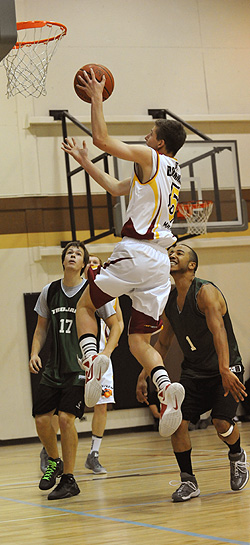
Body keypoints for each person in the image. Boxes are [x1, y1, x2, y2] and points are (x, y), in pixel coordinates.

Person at [61, 68, 187, 438]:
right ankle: (166, 390)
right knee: (138, 342)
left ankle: (90, 363)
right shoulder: (170, 171)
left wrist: (97, 96)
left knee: (85, 306)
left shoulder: (150, 157)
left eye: (150, 135)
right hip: (160, 265)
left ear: (159, 144)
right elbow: (118, 188)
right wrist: (85, 164)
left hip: (136, 253)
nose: (145, 138)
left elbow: (101, 138)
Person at [136, 242, 248, 501]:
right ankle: (189, 482)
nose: (172, 254)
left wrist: (224, 369)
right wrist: (145, 373)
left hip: (225, 369)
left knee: (222, 424)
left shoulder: (205, 292)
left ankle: (237, 455)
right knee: (177, 424)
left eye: (180, 252)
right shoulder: (169, 300)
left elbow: (218, 331)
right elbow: (163, 343)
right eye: (170, 252)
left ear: (192, 265)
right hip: (194, 373)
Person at [29, 241, 121, 499]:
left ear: (84, 264)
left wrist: (105, 354)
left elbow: (116, 326)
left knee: (66, 420)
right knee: (41, 420)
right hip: (54, 367)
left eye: (78, 253)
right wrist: (34, 352)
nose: (72, 255)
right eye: (69, 252)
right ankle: (55, 461)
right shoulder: (50, 291)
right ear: (63, 261)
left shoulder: (93, 292)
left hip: (80, 368)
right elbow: (40, 328)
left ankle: (69, 479)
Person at [84, 256, 124, 474]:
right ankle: (49, 451)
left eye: (96, 262)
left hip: (102, 358)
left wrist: (108, 350)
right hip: (79, 356)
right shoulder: (78, 291)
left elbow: (120, 324)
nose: (92, 264)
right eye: (89, 261)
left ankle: (94, 454)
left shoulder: (112, 296)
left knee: (102, 405)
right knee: (61, 408)